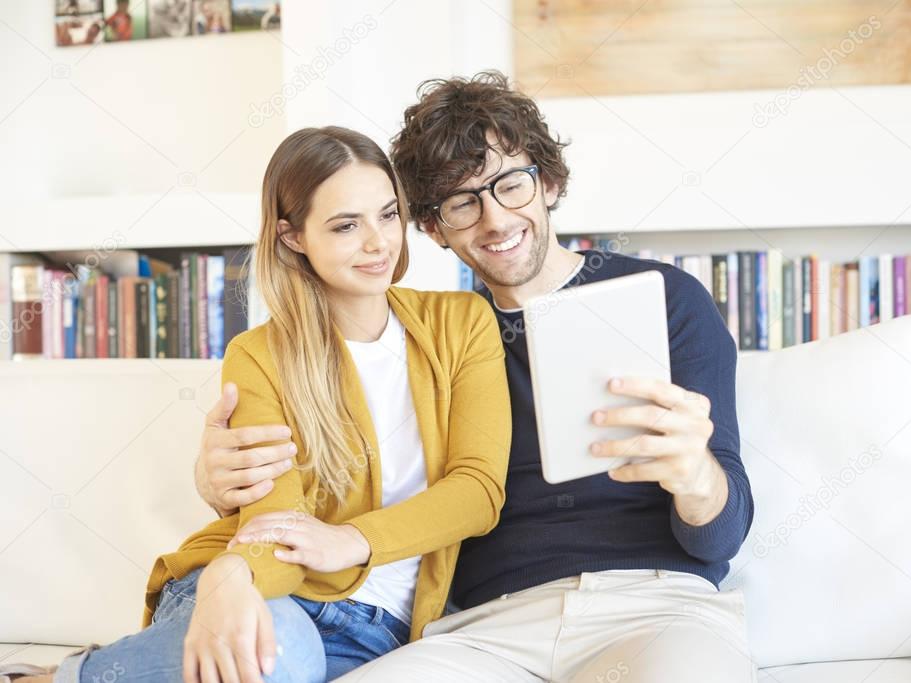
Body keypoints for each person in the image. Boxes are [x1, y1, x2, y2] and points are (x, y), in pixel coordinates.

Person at [194, 72, 756, 682]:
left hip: (657, 606)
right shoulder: (443, 339)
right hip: (484, 629)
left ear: (550, 181)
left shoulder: (666, 301)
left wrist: (697, 477)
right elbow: (350, 464)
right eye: (463, 202)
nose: (494, 220)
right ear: (432, 227)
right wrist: (218, 482)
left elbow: (720, 538)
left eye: (511, 184)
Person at [4, 126, 511, 683]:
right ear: (293, 237)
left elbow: (478, 490)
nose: (379, 243)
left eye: (388, 215)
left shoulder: (461, 322)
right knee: (277, 658)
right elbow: (275, 520)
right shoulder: (259, 355)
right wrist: (231, 576)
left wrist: (349, 540)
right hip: (274, 589)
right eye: (346, 225)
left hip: (379, 629)